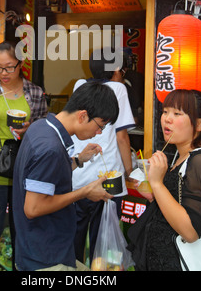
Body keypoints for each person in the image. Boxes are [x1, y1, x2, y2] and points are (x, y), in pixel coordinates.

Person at [12, 81, 120, 271]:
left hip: (40, 249)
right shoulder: (51, 149)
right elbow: (33, 207)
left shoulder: (41, 127)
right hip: (45, 258)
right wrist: (85, 192)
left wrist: (79, 160)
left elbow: (45, 177)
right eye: (100, 126)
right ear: (83, 115)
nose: (99, 133)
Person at [127, 89, 201, 271]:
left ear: (200, 124)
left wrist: (157, 184)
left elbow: (191, 231)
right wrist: (155, 195)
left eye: (177, 113)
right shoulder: (181, 155)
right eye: (165, 111)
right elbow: (180, 202)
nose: (167, 119)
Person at [0, 40, 48, 268]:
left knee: (24, 231)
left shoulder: (34, 92)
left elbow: (45, 130)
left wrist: (30, 129)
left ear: (20, 64)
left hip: (25, 170)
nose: (3, 73)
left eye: (9, 67)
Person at [71, 48, 135, 264]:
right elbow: (122, 137)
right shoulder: (118, 88)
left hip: (79, 177)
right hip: (110, 180)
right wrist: (130, 172)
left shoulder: (80, 85)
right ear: (117, 69)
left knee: (75, 238)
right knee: (105, 242)